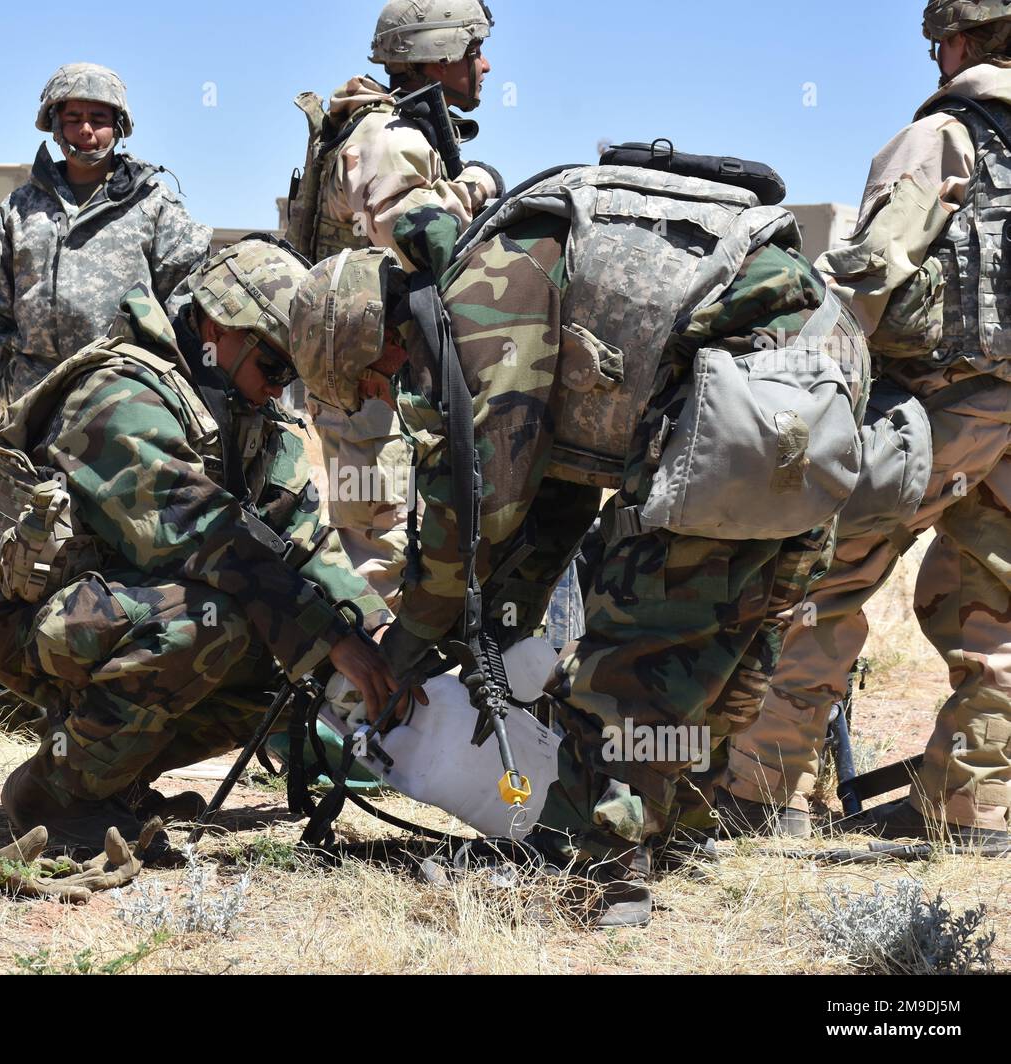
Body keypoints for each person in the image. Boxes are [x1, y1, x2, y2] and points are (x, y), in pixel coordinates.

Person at [289, 163, 870, 926]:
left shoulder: (478, 303)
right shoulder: (496, 270)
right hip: (813, 385)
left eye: (370, 379)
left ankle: (599, 871)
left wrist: (409, 647)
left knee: (639, 641)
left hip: (752, 394)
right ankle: (675, 829)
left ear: (370, 335)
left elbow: (481, 501)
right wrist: (496, 632)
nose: (381, 395)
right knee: (724, 634)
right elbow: (554, 497)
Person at [0, 238, 396, 854]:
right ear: (220, 326)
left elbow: (304, 541)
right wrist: (327, 637)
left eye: (290, 376)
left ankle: (117, 777)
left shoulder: (249, 417)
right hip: (39, 625)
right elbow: (210, 537)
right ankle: (54, 793)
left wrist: (374, 630)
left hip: (123, 612)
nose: (278, 389)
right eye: (273, 367)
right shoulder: (121, 397)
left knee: (292, 664)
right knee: (219, 623)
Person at [720, 0, 1011, 848]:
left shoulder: (946, 136)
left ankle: (762, 794)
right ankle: (978, 811)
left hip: (933, 412)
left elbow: (869, 275)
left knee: (821, 589)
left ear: (956, 42)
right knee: (997, 612)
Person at [286, 0, 502, 606]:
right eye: (471, 51)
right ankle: (361, 693)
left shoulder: (395, 126)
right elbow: (427, 238)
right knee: (381, 562)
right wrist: (480, 186)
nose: (484, 65)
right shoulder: (385, 136)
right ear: (435, 56)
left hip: (383, 377)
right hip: (375, 387)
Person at [0, 62, 212, 447]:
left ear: (119, 126)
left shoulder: (152, 205)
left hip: (127, 407)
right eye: (73, 118)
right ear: (55, 125)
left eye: (98, 118)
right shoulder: (19, 210)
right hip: (35, 408)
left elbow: (188, 302)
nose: (86, 130)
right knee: (35, 506)